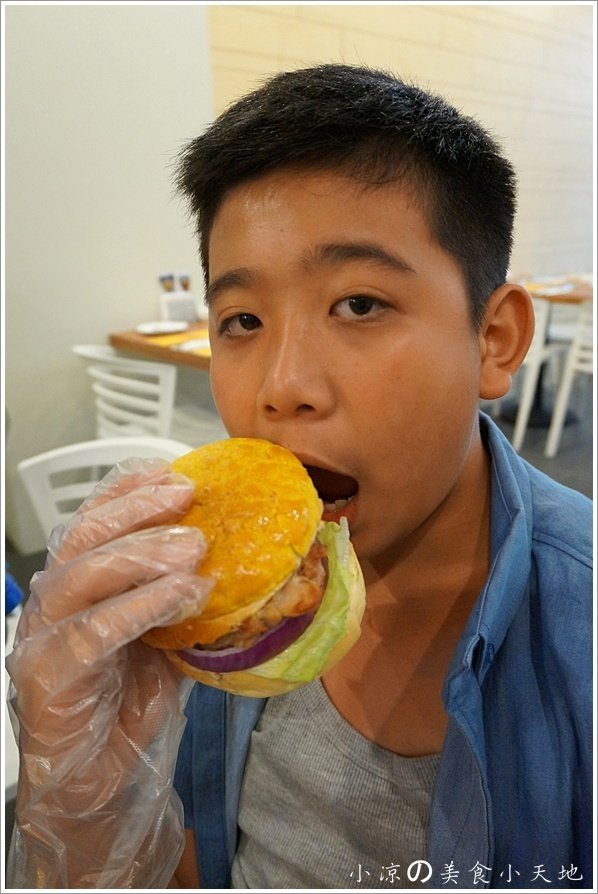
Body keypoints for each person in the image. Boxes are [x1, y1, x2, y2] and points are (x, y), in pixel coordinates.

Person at [6, 64, 591, 890]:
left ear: (494, 339)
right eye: (242, 320)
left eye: (359, 304)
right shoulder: (221, 609)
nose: (281, 387)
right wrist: (89, 810)